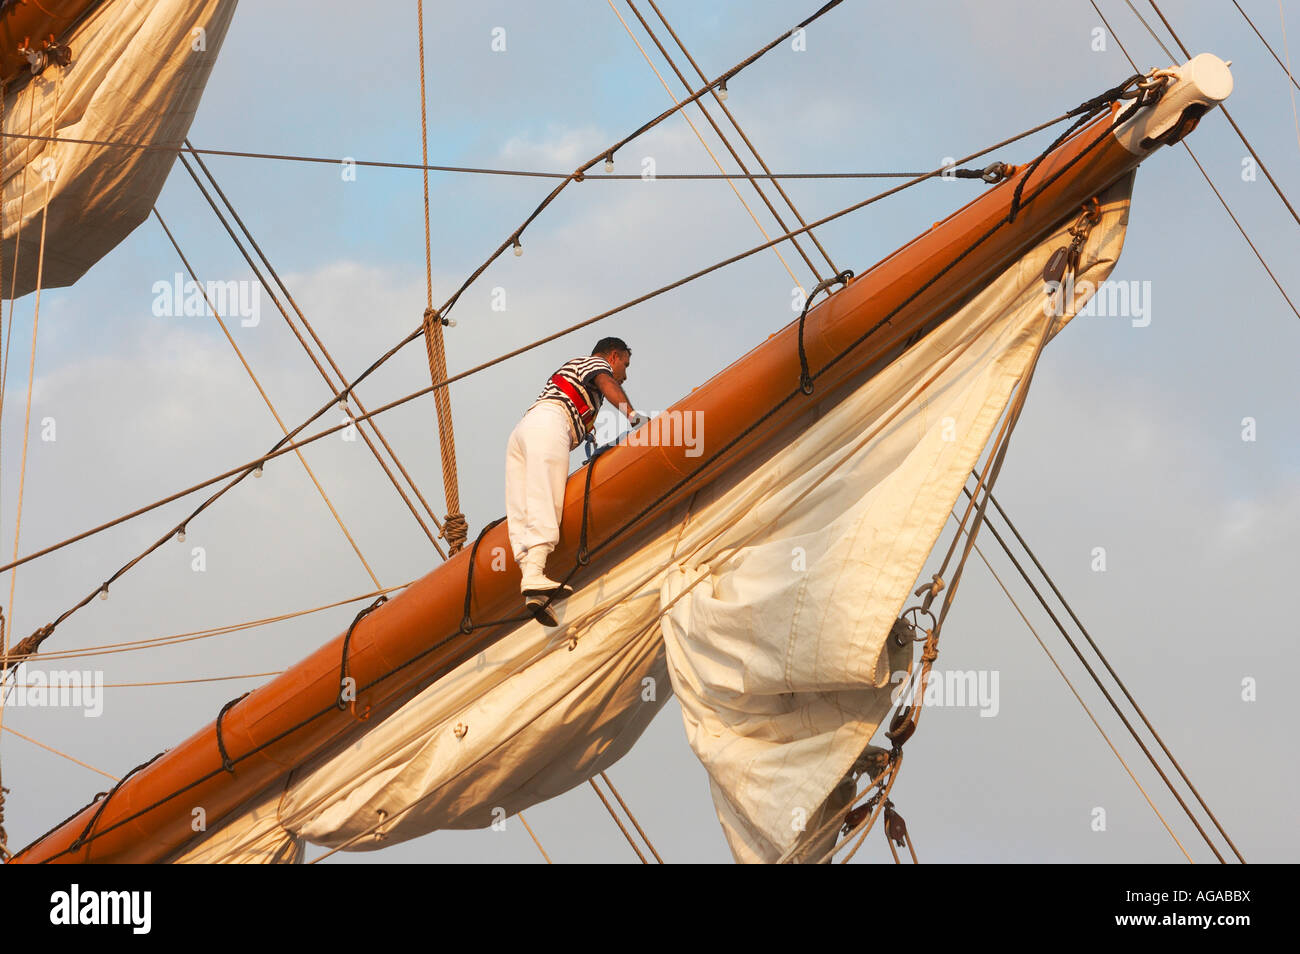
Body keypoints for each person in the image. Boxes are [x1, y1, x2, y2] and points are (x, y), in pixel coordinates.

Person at [505, 337, 646, 623]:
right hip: (550, 424)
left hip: (523, 430)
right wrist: (632, 415)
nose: (625, 375)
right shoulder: (594, 363)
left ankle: (533, 585)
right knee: (547, 498)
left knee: (522, 510)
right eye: (625, 366)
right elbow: (608, 383)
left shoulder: (573, 372)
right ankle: (535, 573)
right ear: (614, 356)